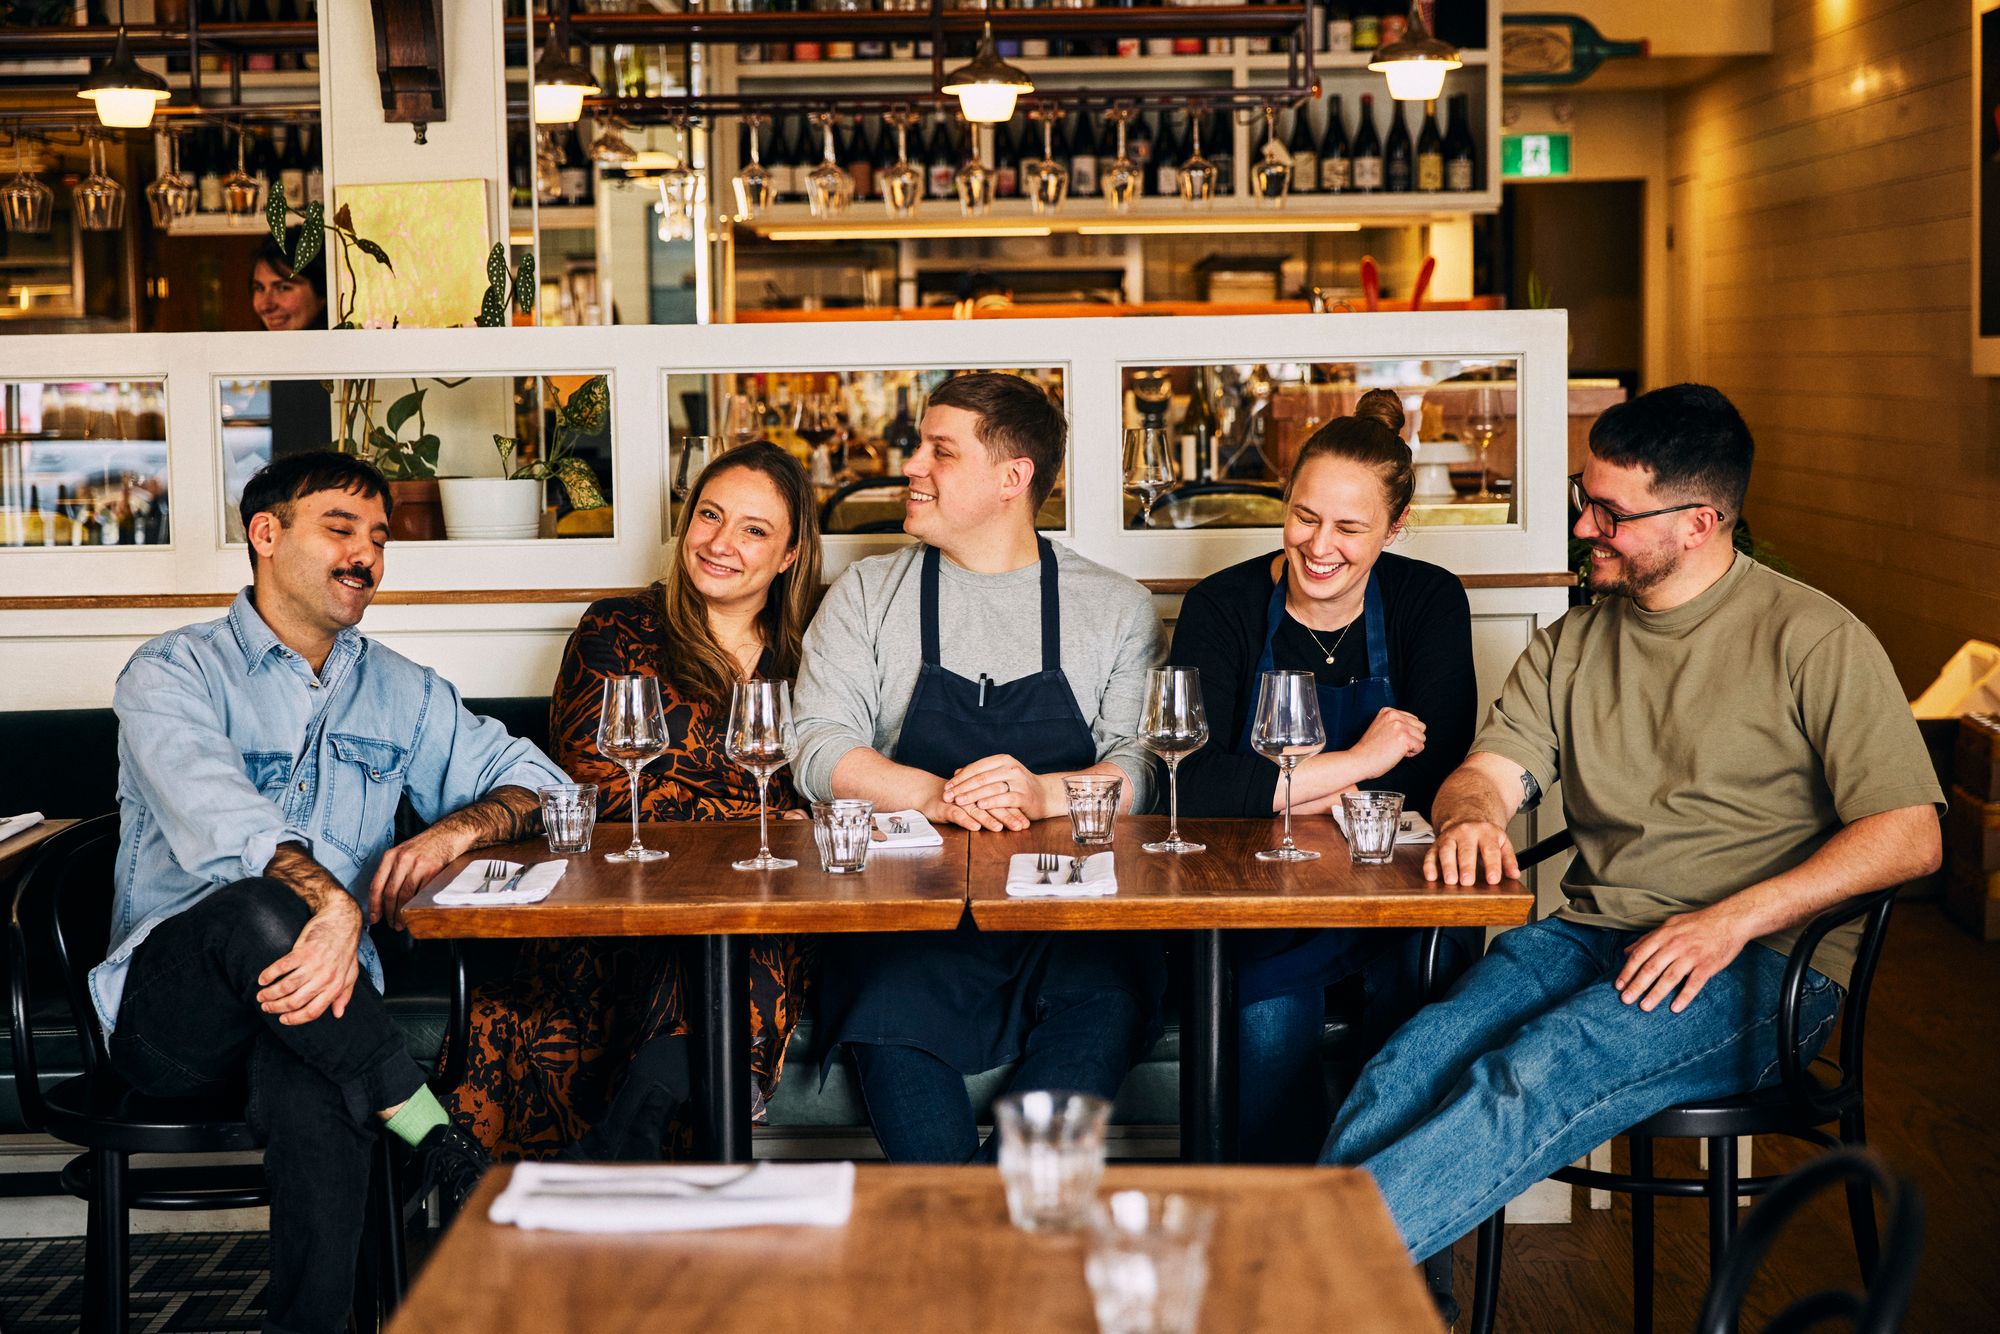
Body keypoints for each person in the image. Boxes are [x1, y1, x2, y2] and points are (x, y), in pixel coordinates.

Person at [1318, 384, 1944, 1265]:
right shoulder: (1572, 644)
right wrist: (1470, 819)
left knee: (1525, 1078)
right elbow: (1488, 776)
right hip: (1590, 937)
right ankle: (1364, 1308)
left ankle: (1282, 1291)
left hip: (1763, 964)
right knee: (1404, 1070)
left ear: (1701, 522)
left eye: (1610, 513)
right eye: (1585, 498)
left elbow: (1911, 832)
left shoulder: (1814, 639)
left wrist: (1731, 919)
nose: (1584, 529)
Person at [96, 450, 568, 1334]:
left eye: (381, 539)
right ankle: (434, 1138)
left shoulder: (403, 693)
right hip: (175, 1021)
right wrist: (335, 902)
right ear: (265, 535)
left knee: (321, 1090)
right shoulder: (170, 673)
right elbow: (222, 817)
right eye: (341, 530)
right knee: (255, 906)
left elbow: (543, 783)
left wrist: (453, 828)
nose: (367, 557)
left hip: (325, 1014)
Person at [792, 371, 1166, 1163]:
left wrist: (1039, 793)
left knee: (1096, 1026)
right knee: (911, 1095)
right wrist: (936, 795)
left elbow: (1141, 763)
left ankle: (984, 1247)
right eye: (918, 446)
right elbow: (817, 746)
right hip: (905, 921)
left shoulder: (1117, 607)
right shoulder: (866, 594)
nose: (912, 466)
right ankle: (982, 1246)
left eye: (940, 451)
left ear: (1011, 478)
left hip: (1076, 921)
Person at [446, 442, 823, 1161]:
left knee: (745, 934)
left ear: (789, 554)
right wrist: (762, 818)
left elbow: (834, 782)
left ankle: (626, 1149)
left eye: (753, 529)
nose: (719, 542)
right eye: (709, 516)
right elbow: (602, 791)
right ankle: (655, 1163)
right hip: (623, 905)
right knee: (694, 949)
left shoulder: (814, 649)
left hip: (770, 909)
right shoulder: (618, 631)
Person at [1170, 389, 1479, 1162]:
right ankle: (1274, 1252)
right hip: (1258, 903)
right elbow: (1198, 788)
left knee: (1425, 1029)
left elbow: (1436, 774)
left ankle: (1406, 1266)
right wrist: (1363, 763)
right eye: (1305, 516)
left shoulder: (1427, 601)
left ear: (1395, 528)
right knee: (1266, 1033)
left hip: (1396, 897)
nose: (1320, 547)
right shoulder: (1226, 606)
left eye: (1350, 527)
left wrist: (1282, 790)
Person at [251, 228, 336, 465]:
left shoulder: (338, 367)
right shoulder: (266, 360)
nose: (265, 305)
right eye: (259, 288)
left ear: (322, 294)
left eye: (282, 288)